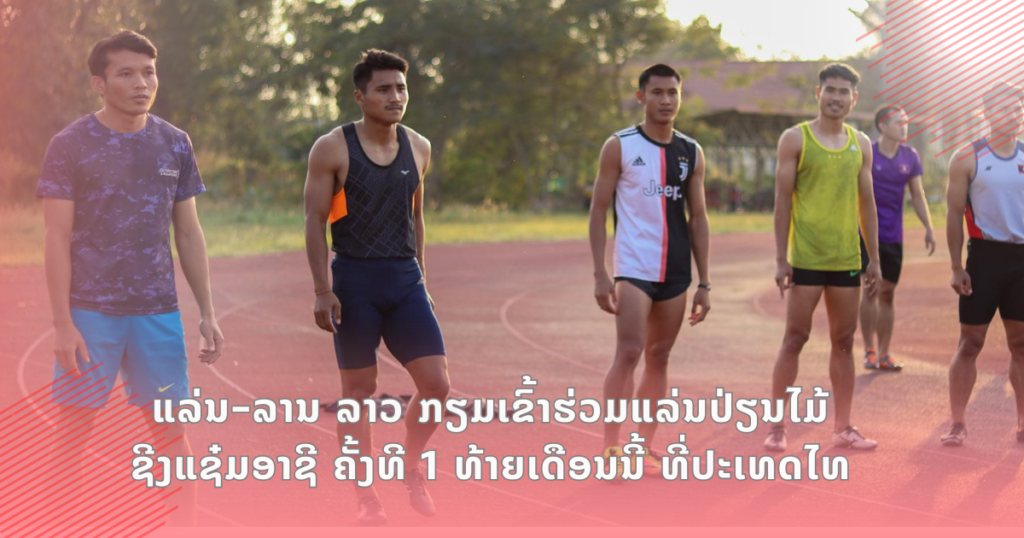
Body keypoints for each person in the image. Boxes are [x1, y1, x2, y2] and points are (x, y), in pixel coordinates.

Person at [37, 30, 224, 526]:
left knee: (171, 435)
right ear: (99, 83)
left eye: (148, 72)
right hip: (90, 314)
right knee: (73, 434)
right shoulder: (70, 145)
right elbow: (56, 237)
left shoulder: (174, 143)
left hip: (156, 313)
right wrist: (61, 324)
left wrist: (207, 312)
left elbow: (189, 233)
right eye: (126, 73)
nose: (142, 83)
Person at [303, 49, 450, 525]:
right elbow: (314, 221)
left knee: (437, 386)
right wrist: (322, 289)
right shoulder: (332, 148)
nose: (395, 97)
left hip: (405, 280)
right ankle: (365, 494)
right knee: (358, 392)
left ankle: (411, 465)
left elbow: (416, 217)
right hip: (355, 282)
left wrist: (422, 277)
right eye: (384, 89)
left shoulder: (419, 147)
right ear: (360, 96)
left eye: (401, 88)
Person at [588, 64, 711, 475]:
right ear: (641, 96)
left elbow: (699, 217)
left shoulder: (691, 151)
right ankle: (611, 447)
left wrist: (705, 282)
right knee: (629, 352)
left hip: (676, 271)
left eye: (672, 93)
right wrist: (600, 273)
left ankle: (642, 446)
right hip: (633, 268)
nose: (666, 100)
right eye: (657, 92)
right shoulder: (619, 146)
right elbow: (598, 210)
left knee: (659, 356)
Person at [765, 63, 881, 452]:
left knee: (844, 342)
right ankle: (777, 426)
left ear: (854, 98)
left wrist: (873, 260)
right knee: (794, 339)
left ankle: (843, 427)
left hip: (846, 258)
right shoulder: (795, 139)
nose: (836, 97)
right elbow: (782, 201)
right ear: (818, 93)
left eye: (843, 91)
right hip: (806, 259)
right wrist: (781, 259)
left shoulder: (860, 143)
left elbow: (867, 204)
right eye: (830, 89)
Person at [942, 80, 1024, 447]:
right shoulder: (967, 157)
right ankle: (958, 423)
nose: (1012, 114)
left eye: (1016, 108)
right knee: (970, 343)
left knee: (1021, 344)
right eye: (1003, 108)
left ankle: (1022, 423)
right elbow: (954, 213)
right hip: (985, 259)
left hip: (1022, 260)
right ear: (987, 113)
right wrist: (956, 266)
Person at [860, 105, 936, 371]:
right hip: (866, 234)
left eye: (906, 121)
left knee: (888, 293)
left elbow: (917, 195)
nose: (905, 126)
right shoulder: (868, 152)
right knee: (870, 289)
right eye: (898, 122)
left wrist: (928, 227)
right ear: (882, 126)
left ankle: (884, 353)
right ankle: (869, 351)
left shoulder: (910, 156)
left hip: (894, 236)